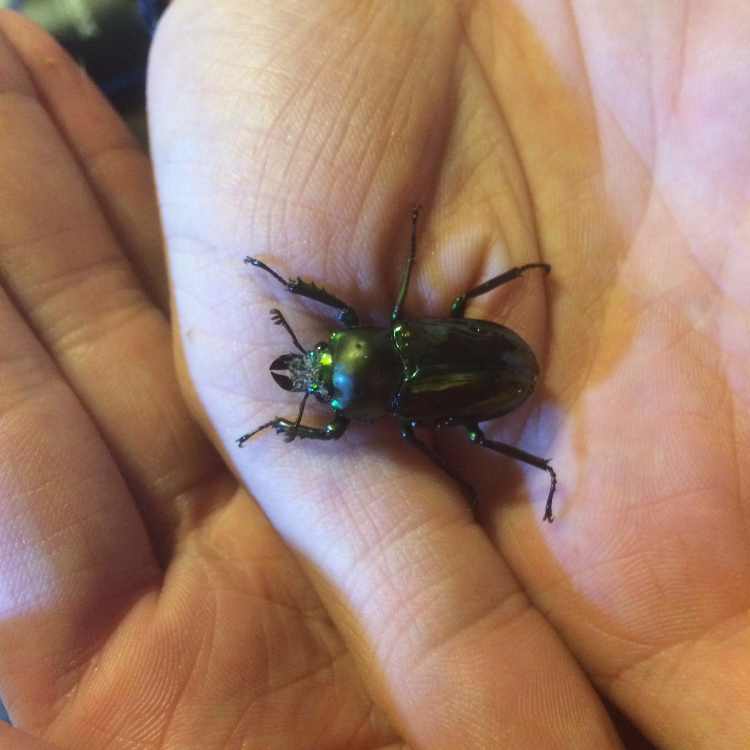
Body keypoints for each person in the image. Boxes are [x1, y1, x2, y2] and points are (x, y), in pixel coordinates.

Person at [1, 3, 748, 748]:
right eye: (322, 370)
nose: (314, 366)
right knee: (465, 370)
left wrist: (290, 383)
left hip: (491, 370)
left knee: (469, 420)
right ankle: (538, 460)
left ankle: (539, 462)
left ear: (355, 344)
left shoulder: (393, 400)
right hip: (484, 370)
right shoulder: (386, 341)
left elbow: (340, 421)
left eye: (322, 362)